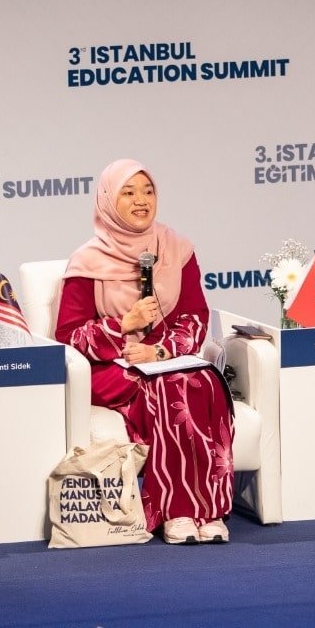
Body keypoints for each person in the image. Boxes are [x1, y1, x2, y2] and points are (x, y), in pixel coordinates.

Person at [56, 160, 235, 544]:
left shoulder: (176, 248)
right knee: (170, 392)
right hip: (107, 368)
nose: (141, 201)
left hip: (163, 361)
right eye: (129, 192)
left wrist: (161, 352)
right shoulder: (87, 260)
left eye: (148, 191)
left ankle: (210, 509)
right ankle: (176, 509)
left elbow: (195, 315)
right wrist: (122, 326)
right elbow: (69, 336)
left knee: (202, 382)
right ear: (107, 199)